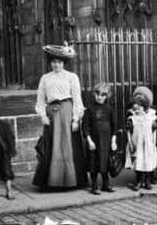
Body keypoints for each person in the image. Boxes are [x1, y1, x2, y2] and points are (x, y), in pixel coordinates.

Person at [33, 44, 87, 190]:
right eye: (54, 62)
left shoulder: (72, 77)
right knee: (52, 145)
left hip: (67, 112)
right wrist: (43, 115)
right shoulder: (45, 78)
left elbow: (77, 99)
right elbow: (40, 100)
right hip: (52, 114)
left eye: (60, 62)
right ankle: (52, 182)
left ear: (64, 63)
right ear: (50, 63)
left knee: (69, 146)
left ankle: (72, 181)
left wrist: (76, 119)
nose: (56, 65)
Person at [82, 83, 118, 194]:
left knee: (105, 162)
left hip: (106, 142)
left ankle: (105, 184)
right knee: (93, 163)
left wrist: (113, 141)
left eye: (103, 95)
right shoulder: (89, 109)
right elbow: (85, 126)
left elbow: (114, 126)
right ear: (94, 94)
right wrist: (89, 141)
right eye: (97, 94)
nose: (99, 97)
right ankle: (94, 185)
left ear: (107, 96)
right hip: (94, 141)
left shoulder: (109, 109)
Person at [125, 97, 157, 191]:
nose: (136, 111)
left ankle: (147, 181)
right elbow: (128, 132)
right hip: (137, 144)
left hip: (148, 144)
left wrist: (154, 143)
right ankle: (139, 181)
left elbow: (154, 131)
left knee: (147, 162)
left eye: (139, 109)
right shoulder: (132, 119)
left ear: (144, 108)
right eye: (134, 109)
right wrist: (130, 143)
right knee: (138, 162)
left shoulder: (150, 118)